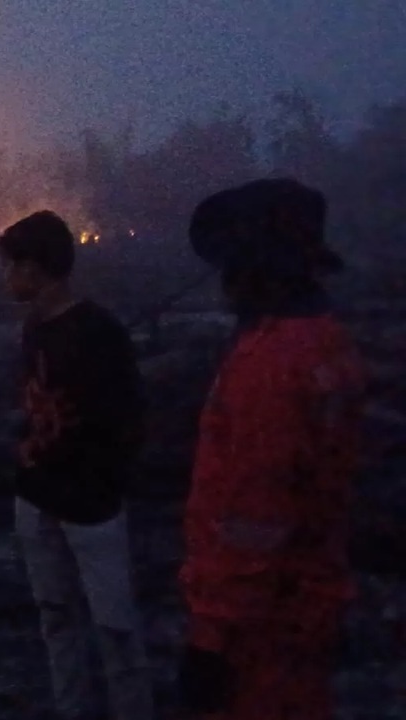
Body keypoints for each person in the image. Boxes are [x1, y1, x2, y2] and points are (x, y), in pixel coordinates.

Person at [179, 178, 364, 719]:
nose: (224, 282)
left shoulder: (269, 368)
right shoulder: (327, 343)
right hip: (310, 608)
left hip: (258, 636)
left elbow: (250, 519)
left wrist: (211, 643)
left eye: (231, 265)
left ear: (258, 268)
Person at [0, 211, 153, 720]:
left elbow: (128, 420)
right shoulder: (35, 328)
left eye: (13, 266)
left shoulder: (97, 333)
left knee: (115, 630)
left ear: (36, 268)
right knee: (57, 618)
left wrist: (102, 480)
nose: (7, 277)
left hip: (90, 507)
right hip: (39, 500)